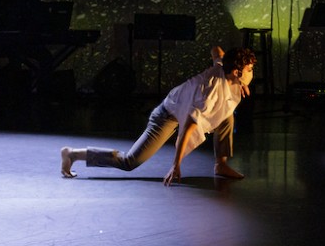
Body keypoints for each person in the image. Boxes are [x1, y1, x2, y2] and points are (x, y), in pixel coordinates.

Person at [60, 47, 256, 186]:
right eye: (249, 70)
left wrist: (241, 82)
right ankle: (73, 154)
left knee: (226, 117)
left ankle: (220, 165)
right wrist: (176, 165)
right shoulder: (210, 91)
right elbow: (188, 127)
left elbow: (217, 51)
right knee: (129, 162)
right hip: (167, 115)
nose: (252, 73)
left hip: (183, 107)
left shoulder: (224, 67)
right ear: (237, 72)